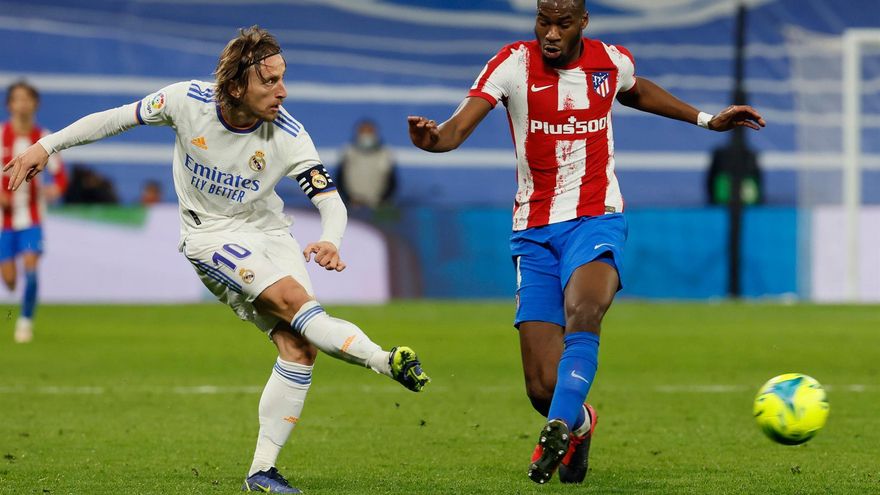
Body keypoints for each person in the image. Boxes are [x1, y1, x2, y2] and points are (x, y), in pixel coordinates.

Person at [5, 26, 429, 494]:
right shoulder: (186, 101)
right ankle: (384, 360)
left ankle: (262, 472)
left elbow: (330, 200)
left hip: (270, 232)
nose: (282, 91)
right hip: (209, 237)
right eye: (268, 81)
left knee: (298, 347)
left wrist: (331, 238)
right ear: (234, 87)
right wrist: (47, 145)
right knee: (295, 304)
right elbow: (115, 119)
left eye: (283, 78)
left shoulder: (290, 134)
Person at [407, 0, 765, 485]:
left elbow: (635, 91)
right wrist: (432, 141)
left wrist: (707, 120)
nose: (551, 33)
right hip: (533, 231)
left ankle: (556, 428)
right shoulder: (512, 64)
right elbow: (456, 131)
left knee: (585, 310)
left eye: (562, 23)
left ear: (582, 23)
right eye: (543, 21)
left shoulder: (608, 61)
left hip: (596, 218)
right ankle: (578, 423)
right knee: (542, 386)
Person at [1, 80, 67, 343]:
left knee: (30, 267)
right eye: (17, 99)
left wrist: (54, 190)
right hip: (4, 222)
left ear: (35, 103)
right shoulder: (2, 135)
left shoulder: (43, 138)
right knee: (9, 281)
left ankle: (25, 321)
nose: (22, 104)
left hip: (32, 219)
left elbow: (60, 177)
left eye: (27, 98)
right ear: (9, 105)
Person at [336, 119, 397, 210]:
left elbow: (392, 181)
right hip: (352, 205)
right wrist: (349, 199)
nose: (366, 135)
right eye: (363, 131)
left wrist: (382, 200)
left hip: (378, 206)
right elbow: (339, 178)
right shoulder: (348, 152)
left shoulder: (385, 154)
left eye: (369, 131)